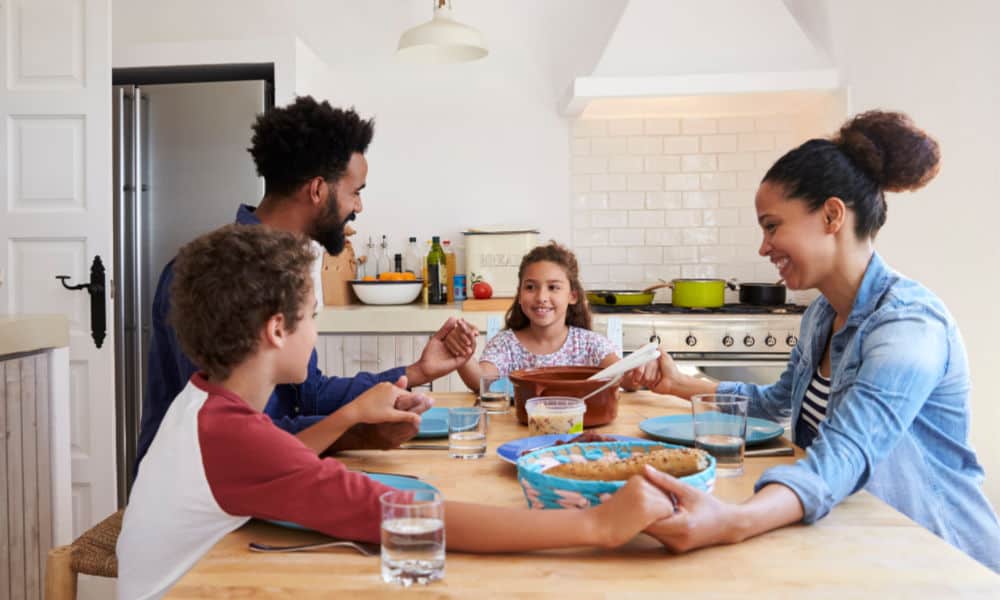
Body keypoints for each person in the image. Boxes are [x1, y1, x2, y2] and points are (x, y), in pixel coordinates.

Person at [117, 224, 680, 598]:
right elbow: (398, 511)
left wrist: (352, 417)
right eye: (313, 315)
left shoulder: (204, 401)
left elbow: (277, 462)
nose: (316, 329)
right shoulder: (233, 434)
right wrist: (594, 523)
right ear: (277, 329)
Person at [627, 110, 1000, 572]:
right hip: (857, 543)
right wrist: (679, 383)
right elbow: (777, 403)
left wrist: (732, 521)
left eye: (771, 225)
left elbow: (846, 451)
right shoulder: (822, 313)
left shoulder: (908, 328)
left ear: (831, 215)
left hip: (938, 560)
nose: (764, 247)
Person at [136, 96, 475, 471]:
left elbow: (305, 396)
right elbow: (236, 439)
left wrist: (417, 372)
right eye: (356, 191)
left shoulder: (285, 269)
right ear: (318, 190)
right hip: (200, 503)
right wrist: (357, 429)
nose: (359, 207)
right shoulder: (216, 275)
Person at [447, 242, 631, 391]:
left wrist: (641, 372)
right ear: (519, 294)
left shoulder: (590, 344)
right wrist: (463, 355)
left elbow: (623, 377)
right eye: (530, 287)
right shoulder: (505, 344)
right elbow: (482, 382)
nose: (541, 297)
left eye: (553, 287)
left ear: (572, 296)